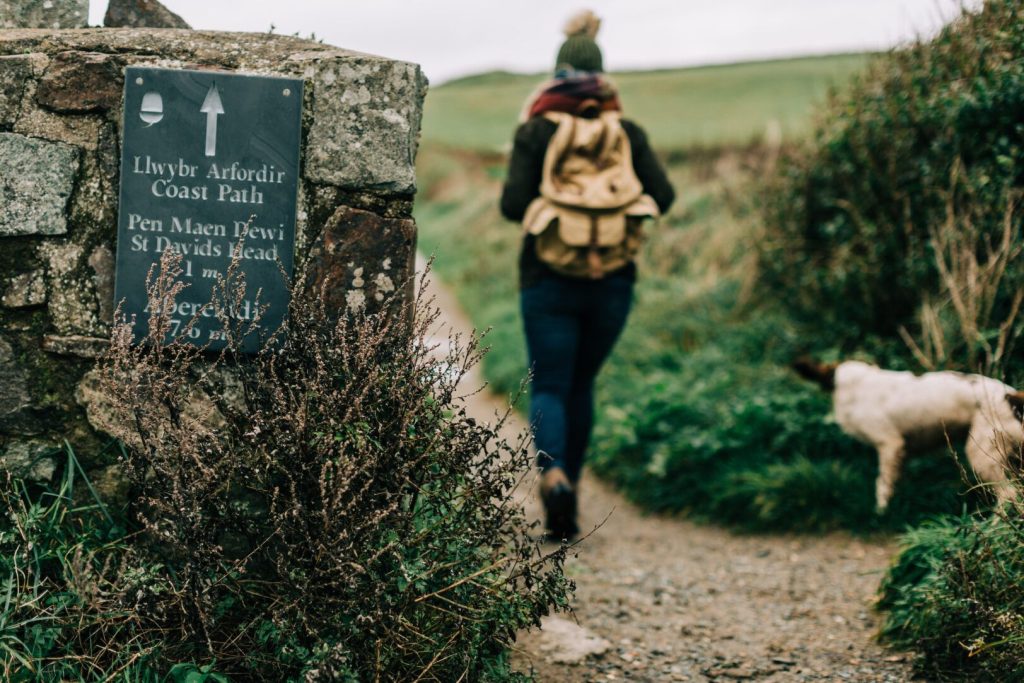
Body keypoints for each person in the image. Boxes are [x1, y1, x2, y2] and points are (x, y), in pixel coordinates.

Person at [500, 10, 675, 539]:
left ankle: (553, 481)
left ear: (556, 73)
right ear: (601, 73)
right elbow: (663, 196)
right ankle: (570, 487)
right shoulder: (627, 131)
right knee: (582, 384)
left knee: (549, 383)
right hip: (614, 278)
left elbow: (512, 206)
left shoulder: (537, 129)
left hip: (546, 276)